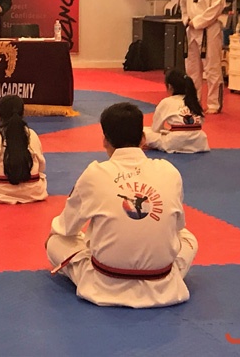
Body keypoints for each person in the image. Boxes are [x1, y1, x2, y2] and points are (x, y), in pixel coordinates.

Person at [46, 102, 198, 308]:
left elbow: (66, 228)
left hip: (104, 284)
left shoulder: (95, 174)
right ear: (143, 139)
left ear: (105, 140)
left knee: (55, 241)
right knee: (188, 238)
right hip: (162, 285)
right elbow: (177, 227)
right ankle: (165, 277)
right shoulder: (169, 171)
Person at [180, 0, 225, 114]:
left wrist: (198, 21)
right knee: (192, 68)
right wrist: (187, 20)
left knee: (212, 68)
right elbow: (183, 3)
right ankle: (194, 101)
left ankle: (214, 103)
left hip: (209, 30)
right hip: (192, 30)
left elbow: (216, 8)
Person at [143, 69, 210, 153]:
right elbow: (200, 122)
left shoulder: (166, 102)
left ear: (170, 86)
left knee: (144, 132)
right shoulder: (194, 101)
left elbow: (155, 129)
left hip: (175, 142)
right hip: (199, 142)